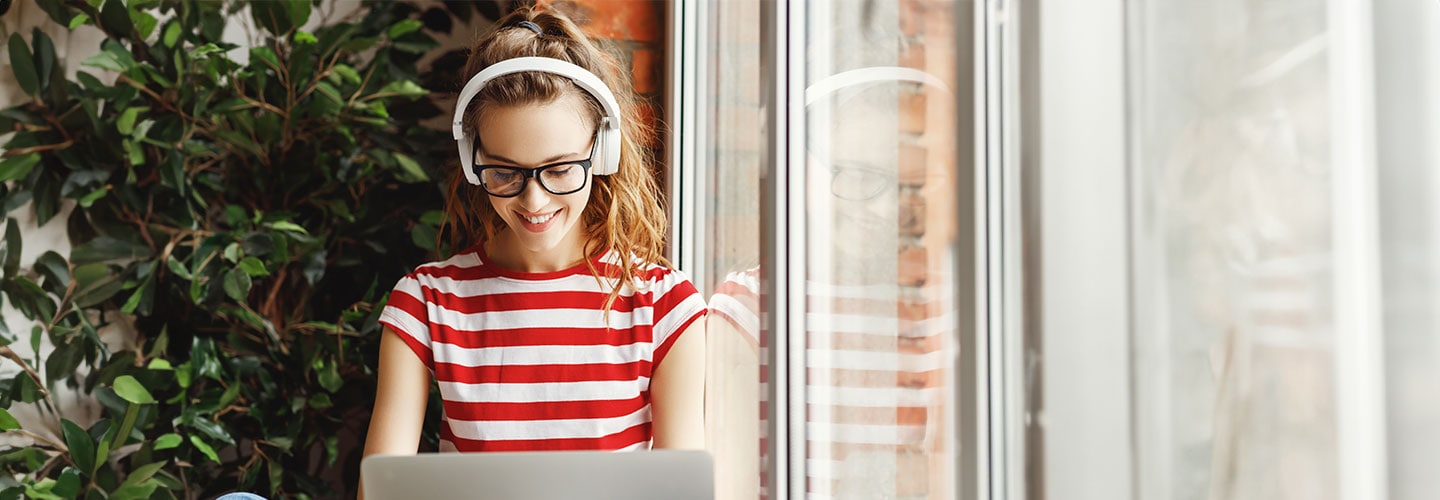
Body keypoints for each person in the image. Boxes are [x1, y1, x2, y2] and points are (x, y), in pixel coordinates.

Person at [360, 4, 707, 483]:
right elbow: (378, 490)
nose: (534, 200)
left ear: (601, 152)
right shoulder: (425, 303)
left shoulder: (665, 306)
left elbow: (678, 492)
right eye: (504, 172)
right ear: (471, 160)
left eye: (561, 169)